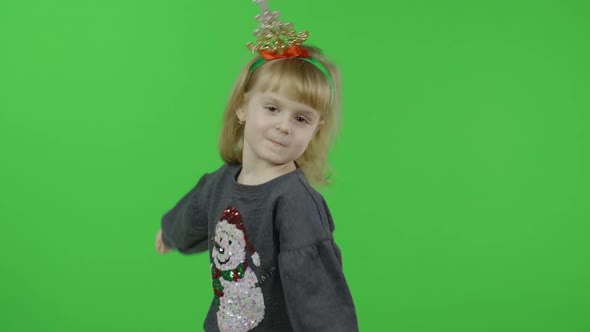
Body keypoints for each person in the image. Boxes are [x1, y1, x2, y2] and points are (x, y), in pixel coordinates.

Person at [155, 1, 358, 331]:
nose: (284, 126)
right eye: (272, 108)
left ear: (315, 129)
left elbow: (318, 292)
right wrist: (170, 232)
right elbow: (192, 214)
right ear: (242, 108)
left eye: (301, 118)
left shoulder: (294, 201)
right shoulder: (221, 182)